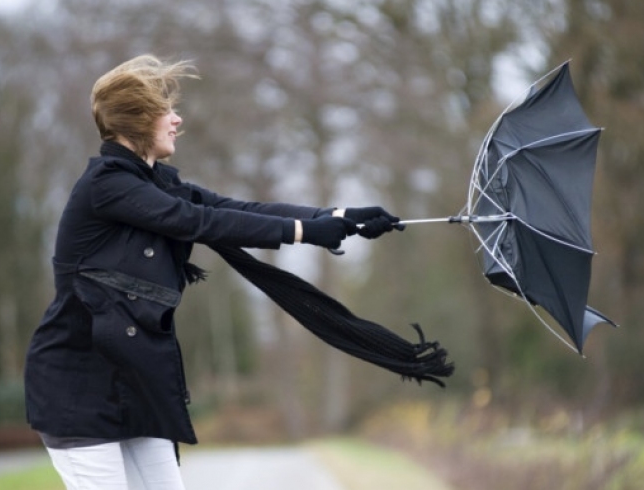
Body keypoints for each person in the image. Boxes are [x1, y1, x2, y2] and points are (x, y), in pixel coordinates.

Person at [23, 54, 403, 489]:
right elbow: (199, 222)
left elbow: (232, 208)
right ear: (138, 118)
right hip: (78, 387)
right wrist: (306, 232)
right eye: (166, 111)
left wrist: (339, 215)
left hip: (135, 382)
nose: (177, 120)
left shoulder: (156, 181)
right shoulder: (107, 185)